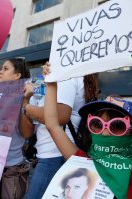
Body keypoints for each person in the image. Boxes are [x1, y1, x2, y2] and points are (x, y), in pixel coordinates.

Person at [44, 37, 132, 199]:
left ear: (130, 130)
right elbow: (52, 124)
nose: (105, 132)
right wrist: (51, 82)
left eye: (117, 126)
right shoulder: (81, 161)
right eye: (97, 124)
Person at [21, 71, 98, 199]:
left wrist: (26, 107)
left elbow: (60, 116)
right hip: (50, 154)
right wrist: (27, 101)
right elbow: (27, 132)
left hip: (54, 155)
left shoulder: (66, 75)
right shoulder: (68, 77)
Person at [0, 57, 32, 199]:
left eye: (5, 69)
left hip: (10, 168)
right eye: (1, 68)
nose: (0, 72)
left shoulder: (26, 96)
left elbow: (27, 133)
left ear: (17, 76)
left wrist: (25, 100)